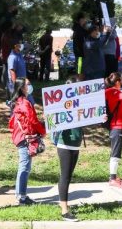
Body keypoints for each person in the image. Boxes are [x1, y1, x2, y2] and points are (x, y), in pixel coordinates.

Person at [8, 78, 46, 205]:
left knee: (25, 166)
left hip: (21, 137)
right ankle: (21, 197)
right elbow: (33, 121)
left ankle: (20, 194)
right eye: (27, 84)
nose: (30, 86)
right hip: (24, 138)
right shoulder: (24, 103)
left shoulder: (20, 102)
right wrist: (43, 131)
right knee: (24, 167)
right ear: (22, 88)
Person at [54, 76, 83, 222]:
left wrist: (100, 118)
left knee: (69, 176)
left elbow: (88, 117)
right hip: (64, 144)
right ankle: (64, 210)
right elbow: (54, 121)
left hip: (75, 143)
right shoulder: (61, 104)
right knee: (65, 176)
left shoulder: (80, 104)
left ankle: (64, 204)